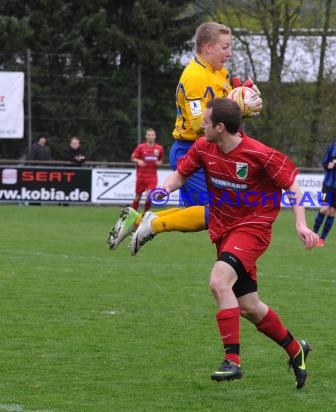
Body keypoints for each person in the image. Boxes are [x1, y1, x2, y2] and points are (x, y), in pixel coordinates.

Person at [133, 98, 318, 388]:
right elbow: (180, 175)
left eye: (205, 122)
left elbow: (292, 185)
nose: (200, 125)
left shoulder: (260, 153)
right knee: (249, 307)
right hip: (223, 230)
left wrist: (300, 223)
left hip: (253, 229)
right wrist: (162, 189)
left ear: (220, 127)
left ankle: (232, 360)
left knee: (219, 282)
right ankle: (296, 350)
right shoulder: (204, 147)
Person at [107, 21, 262, 252]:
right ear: (208, 47)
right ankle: (153, 225)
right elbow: (200, 123)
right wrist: (238, 109)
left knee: (207, 213)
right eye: (225, 47)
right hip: (192, 150)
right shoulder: (194, 77)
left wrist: (246, 93)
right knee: (214, 213)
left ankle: (140, 221)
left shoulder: (219, 71)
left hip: (212, 150)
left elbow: (229, 101)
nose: (229, 53)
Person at [130, 128, 164, 212]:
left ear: (155, 136)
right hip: (141, 176)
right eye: (149, 135)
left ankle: (145, 215)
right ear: (146, 136)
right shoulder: (141, 147)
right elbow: (133, 158)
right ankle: (132, 216)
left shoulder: (159, 148)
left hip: (152, 177)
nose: (150, 137)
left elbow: (161, 160)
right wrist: (138, 160)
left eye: (152, 135)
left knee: (150, 196)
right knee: (138, 196)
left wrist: (159, 163)